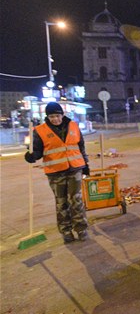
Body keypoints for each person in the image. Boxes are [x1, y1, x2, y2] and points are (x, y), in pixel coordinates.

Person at [24, 102, 90, 243]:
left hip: (75, 169)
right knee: (61, 203)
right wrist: (32, 156)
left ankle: (81, 229)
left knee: (76, 200)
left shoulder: (73, 126)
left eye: (57, 115)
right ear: (47, 117)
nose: (55, 119)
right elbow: (37, 151)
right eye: (51, 116)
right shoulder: (40, 130)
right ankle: (66, 231)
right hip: (55, 172)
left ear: (62, 114)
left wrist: (86, 164)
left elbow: (81, 146)